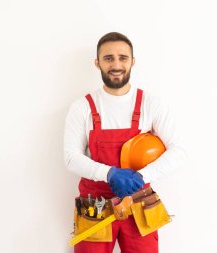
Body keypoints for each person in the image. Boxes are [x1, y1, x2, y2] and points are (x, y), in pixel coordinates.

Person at [63, 32, 187, 253]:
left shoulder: (152, 104)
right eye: (108, 58)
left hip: (139, 203)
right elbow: (71, 158)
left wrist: (142, 177)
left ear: (132, 61)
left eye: (123, 57)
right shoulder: (82, 107)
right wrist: (110, 173)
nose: (116, 64)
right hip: (95, 207)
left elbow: (179, 152)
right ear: (97, 63)